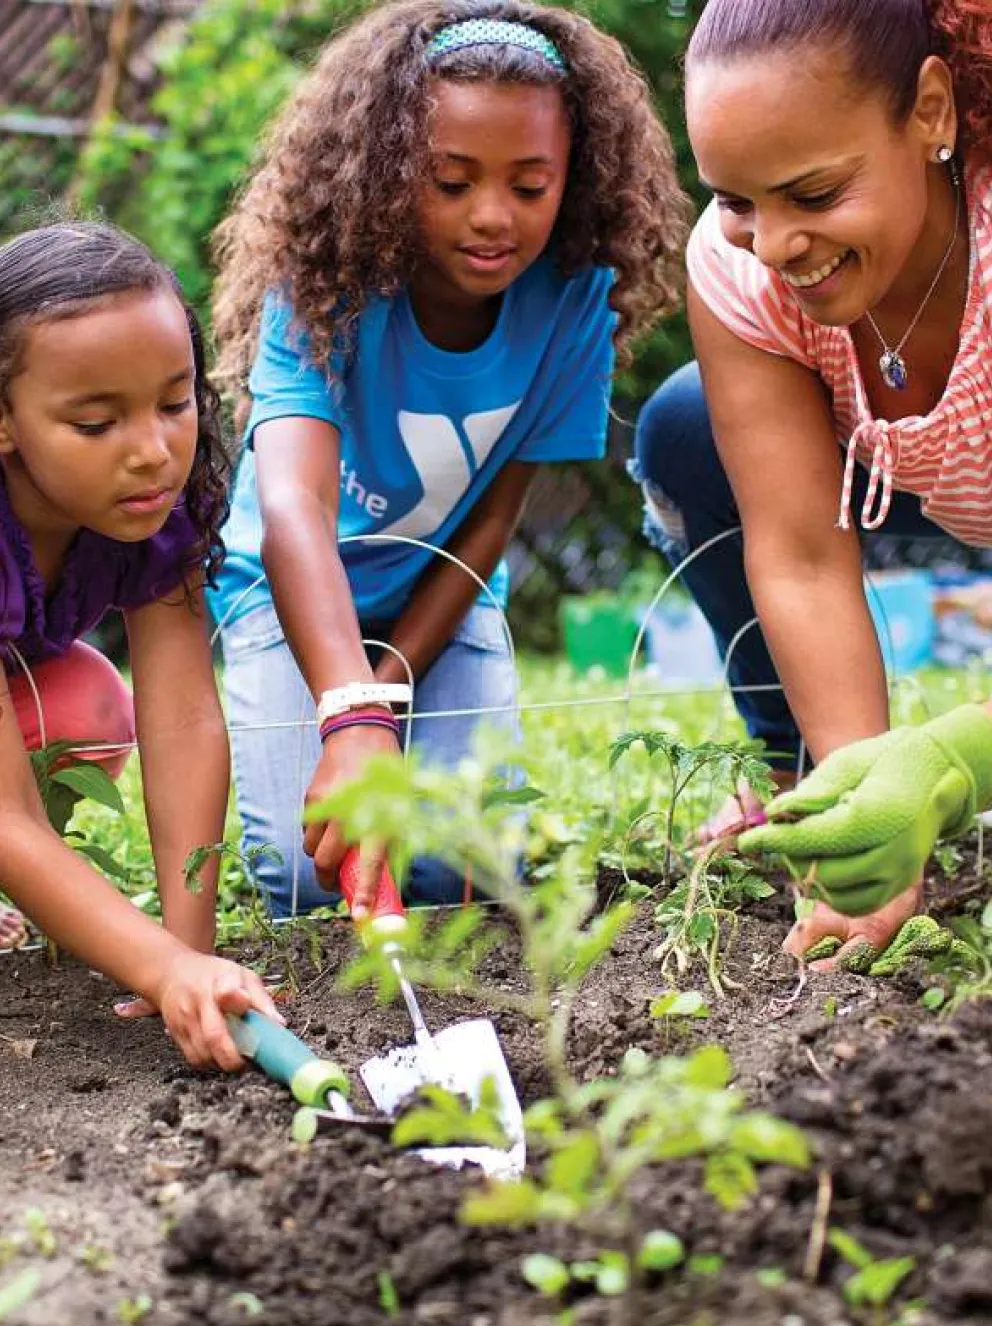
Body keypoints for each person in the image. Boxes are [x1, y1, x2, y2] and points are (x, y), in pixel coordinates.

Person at [211, 0, 690, 917]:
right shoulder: (326, 290)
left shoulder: (576, 305)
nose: (492, 217)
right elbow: (293, 512)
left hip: (443, 597)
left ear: (574, 178)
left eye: (529, 184)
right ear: (391, 174)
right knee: (306, 878)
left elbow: (492, 521)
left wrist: (389, 695)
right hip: (293, 596)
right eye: (452, 180)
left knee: (460, 866)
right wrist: (351, 716)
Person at [631, 0, 992, 967]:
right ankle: (797, 776)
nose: (777, 243)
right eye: (740, 200)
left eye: (816, 194)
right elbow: (797, 556)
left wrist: (954, 759)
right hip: (899, 467)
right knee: (682, 425)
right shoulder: (738, 266)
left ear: (929, 113)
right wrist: (860, 815)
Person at [0, 221, 281, 1066]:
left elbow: (184, 722)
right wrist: (163, 970)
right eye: (96, 424)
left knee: (86, 700)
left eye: (174, 402)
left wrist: (188, 957)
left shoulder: (160, 515)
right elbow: (6, 815)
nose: (154, 452)